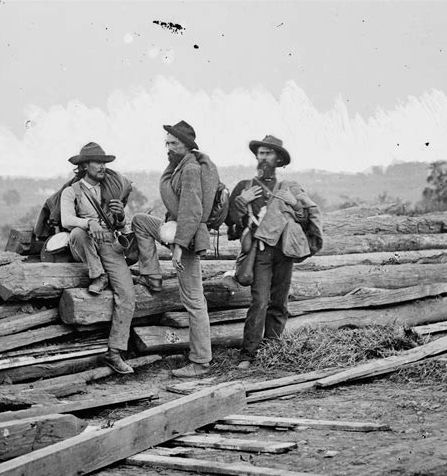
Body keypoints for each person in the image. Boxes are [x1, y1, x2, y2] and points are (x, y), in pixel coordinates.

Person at [228, 135, 323, 369]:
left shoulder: (290, 187)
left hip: (284, 251)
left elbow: (303, 219)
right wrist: (241, 202)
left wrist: (296, 204)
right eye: (260, 153)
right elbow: (231, 223)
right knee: (259, 301)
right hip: (259, 252)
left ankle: (273, 350)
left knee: (279, 302)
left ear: (278, 159)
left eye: (268, 153)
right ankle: (248, 354)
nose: (263, 157)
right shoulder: (245, 187)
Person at [132, 121, 217, 378]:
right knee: (140, 221)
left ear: (187, 145)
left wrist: (178, 247)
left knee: (193, 300)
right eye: (166, 143)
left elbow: (192, 210)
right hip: (177, 230)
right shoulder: (178, 165)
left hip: (188, 238)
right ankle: (152, 275)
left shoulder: (190, 168)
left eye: (173, 143)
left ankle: (200, 361)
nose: (167, 148)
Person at [61, 142, 136, 374]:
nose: (102, 166)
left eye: (104, 162)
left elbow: (122, 225)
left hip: (109, 243)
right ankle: (98, 274)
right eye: (97, 162)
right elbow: (66, 220)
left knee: (127, 294)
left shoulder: (111, 189)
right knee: (77, 232)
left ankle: (114, 352)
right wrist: (87, 222)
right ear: (84, 165)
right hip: (85, 243)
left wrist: (121, 215)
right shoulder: (71, 191)